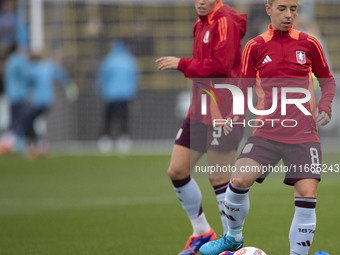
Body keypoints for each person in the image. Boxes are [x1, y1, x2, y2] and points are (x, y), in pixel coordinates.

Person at [199, 0, 336, 254]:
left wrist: (325, 105)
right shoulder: (255, 46)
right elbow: (243, 87)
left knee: (307, 193)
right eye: (282, 8)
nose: (288, 15)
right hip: (266, 133)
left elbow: (327, 81)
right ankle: (233, 238)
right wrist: (233, 114)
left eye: (293, 9)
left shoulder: (310, 43)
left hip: (304, 134)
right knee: (239, 179)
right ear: (268, 8)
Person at [156, 1, 247, 254]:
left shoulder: (225, 20)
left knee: (218, 176)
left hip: (224, 106)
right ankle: (202, 232)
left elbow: (221, 65)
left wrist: (182, 63)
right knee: (177, 170)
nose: (201, 1)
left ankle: (230, 243)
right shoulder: (200, 23)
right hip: (200, 108)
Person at [23, 50, 78, 158]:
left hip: (38, 102)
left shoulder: (32, 69)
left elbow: (25, 81)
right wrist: (70, 88)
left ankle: (36, 145)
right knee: (37, 123)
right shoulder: (48, 66)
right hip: (48, 101)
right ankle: (42, 145)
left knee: (28, 122)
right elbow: (61, 74)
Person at [97, 39, 139, 153]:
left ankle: (105, 139)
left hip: (110, 94)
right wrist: (133, 92)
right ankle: (124, 139)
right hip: (125, 94)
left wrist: (99, 89)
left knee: (108, 117)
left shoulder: (108, 60)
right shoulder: (130, 60)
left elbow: (102, 77)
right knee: (124, 117)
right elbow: (134, 77)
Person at [0, 45, 28, 154]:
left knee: (15, 119)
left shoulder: (9, 61)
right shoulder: (18, 60)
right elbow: (25, 74)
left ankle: (11, 142)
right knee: (20, 119)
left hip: (11, 94)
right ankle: (12, 143)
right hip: (18, 95)